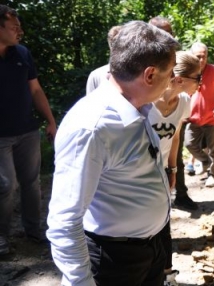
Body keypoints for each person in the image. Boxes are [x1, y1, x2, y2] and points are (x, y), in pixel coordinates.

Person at [47, 20, 180, 286]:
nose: (171, 82)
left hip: (149, 251)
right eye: (169, 74)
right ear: (150, 75)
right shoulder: (93, 127)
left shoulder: (140, 109)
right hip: (112, 263)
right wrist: (81, 281)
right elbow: (65, 219)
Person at [0, 4, 58, 255]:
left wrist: (50, 120)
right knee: (5, 185)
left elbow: (35, 89)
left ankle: (34, 230)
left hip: (27, 130)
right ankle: (1, 236)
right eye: (14, 27)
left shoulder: (22, 53)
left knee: (31, 182)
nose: (19, 32)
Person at [149, 51, 201, 285]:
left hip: (160, 172)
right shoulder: (147, 102)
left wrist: (172, 170)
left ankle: (167, 276)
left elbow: (176, 137)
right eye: (197, 78)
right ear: (180, 79)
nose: (200, 84)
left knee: (163, 224)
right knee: (144, 227)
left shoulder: (184, 102)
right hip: (136, 175)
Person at [86, 17, 173, 95]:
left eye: (169, 33)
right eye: (161, 33)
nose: (167, 37)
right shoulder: (97, 75)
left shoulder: (176, 62)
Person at [185, 42, 214, 187]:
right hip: (193, 117)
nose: (202, 60)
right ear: (192, 56)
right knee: (189, 143)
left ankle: (212, 175)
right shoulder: (188, 71)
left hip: (212, 117)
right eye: (198, 57)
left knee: (212, 148)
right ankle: (204, 161)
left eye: (204, 56)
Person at [85, 25, 121, 94]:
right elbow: (91, 103)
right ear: (110, 47)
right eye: (113, 44)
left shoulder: (137, 75)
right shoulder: (96, 76)